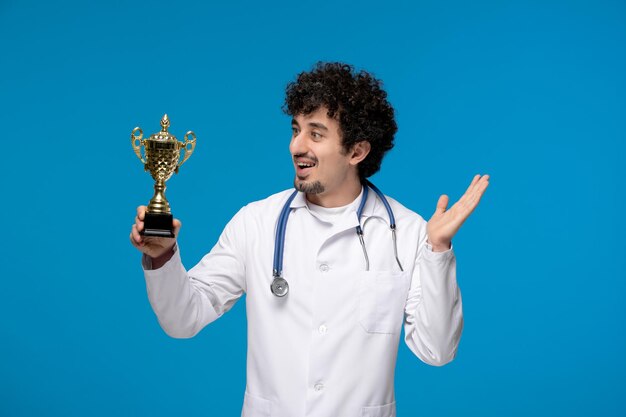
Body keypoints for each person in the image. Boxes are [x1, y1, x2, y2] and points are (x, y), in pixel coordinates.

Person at [130, 62, 490, 417]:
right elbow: (183, 319)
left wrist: (438, 251)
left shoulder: (408, 233)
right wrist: (162, 257)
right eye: (295, 129)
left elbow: (437, 350)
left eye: (316, 134)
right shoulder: (256, 222)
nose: (296, 146)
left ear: (357, 151)